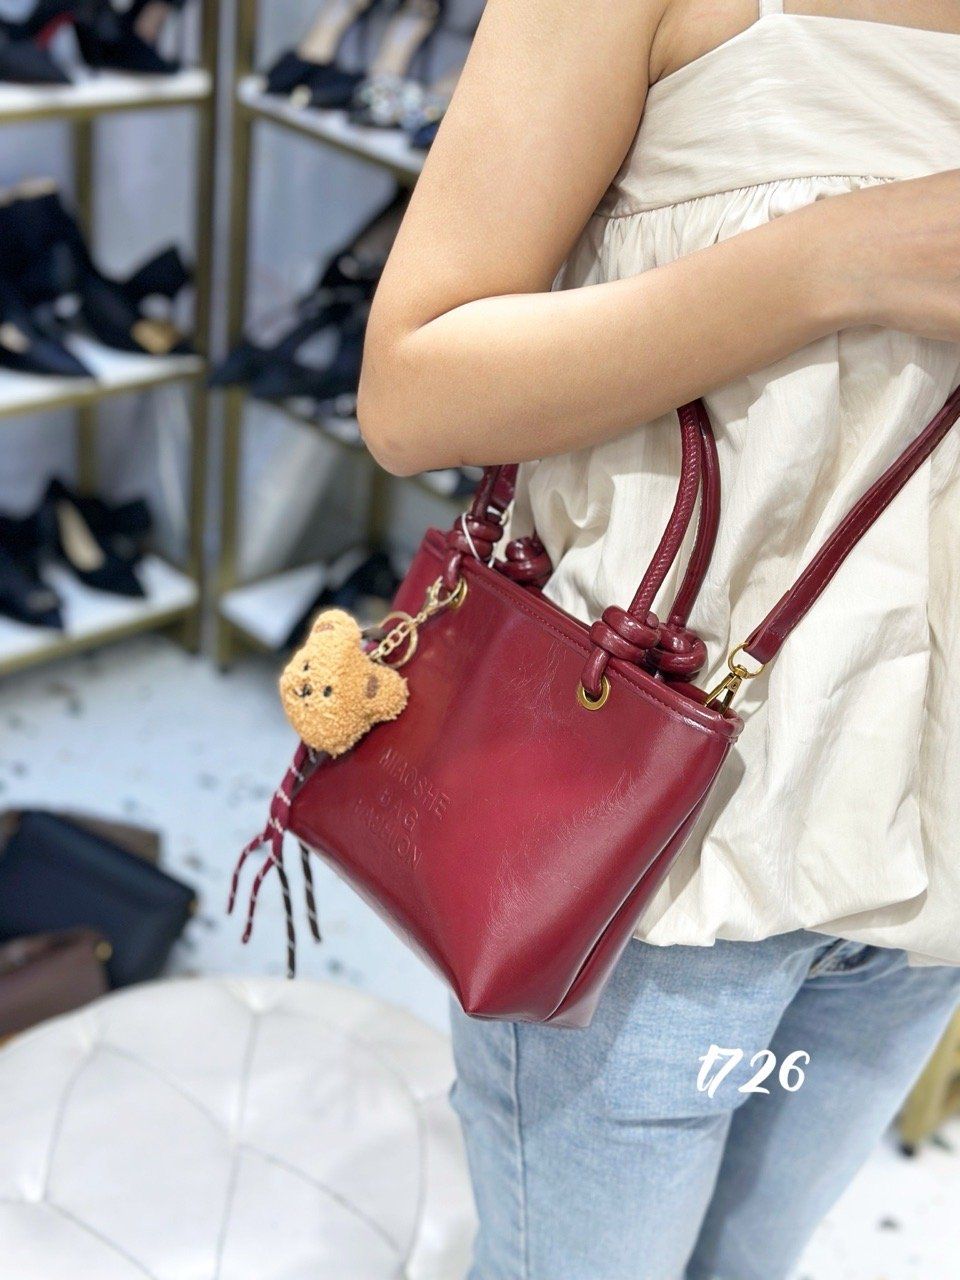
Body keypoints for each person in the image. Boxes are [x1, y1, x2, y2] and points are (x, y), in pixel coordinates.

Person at [357, 2, 960, 1276]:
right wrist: (834, 263)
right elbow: (412, 393)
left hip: (932, 878)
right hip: (653, 865)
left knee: (753, 1262)